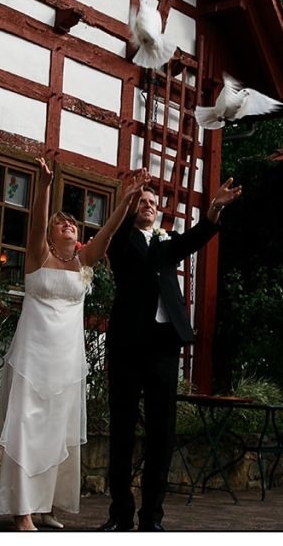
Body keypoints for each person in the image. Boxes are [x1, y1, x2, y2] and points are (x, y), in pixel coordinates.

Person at [0, 157, 151, 531]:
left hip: (67, 358)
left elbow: (108, 233)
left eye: (73, 223)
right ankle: (22, 509)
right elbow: (36, 223)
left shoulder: (83, 262)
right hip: (33, 355)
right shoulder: (39, 257)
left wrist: (128, 198)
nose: (69, 224)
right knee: (28, 428)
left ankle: (47, 505)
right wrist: (45, 186)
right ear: (52, 234)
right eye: (61, 222)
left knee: (57, 431)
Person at [99, 176, 242, 532]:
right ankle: (120, 515)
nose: (149, 205)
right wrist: (127, 199)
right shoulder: (122, 241)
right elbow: (124, 240)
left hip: (164, 344)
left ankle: (152, 517)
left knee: (162, 433)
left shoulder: (166, 241)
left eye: (153, 202)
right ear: (131, 209)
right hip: (128, 345)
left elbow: (194, 239)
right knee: (122, 428)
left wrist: (214, 208)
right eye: (142, 201)